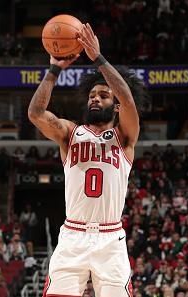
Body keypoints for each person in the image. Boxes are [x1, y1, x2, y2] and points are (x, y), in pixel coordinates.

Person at [28, 23, 148, 296]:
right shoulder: (70, 133)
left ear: (114, 105)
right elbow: (36, 113)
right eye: (92, 95)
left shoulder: (125, 137)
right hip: (73, 235)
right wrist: (54, 69)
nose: (95, 99)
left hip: (110, 238)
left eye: (103, 95)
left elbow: (129, 102)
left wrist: (98, 58)